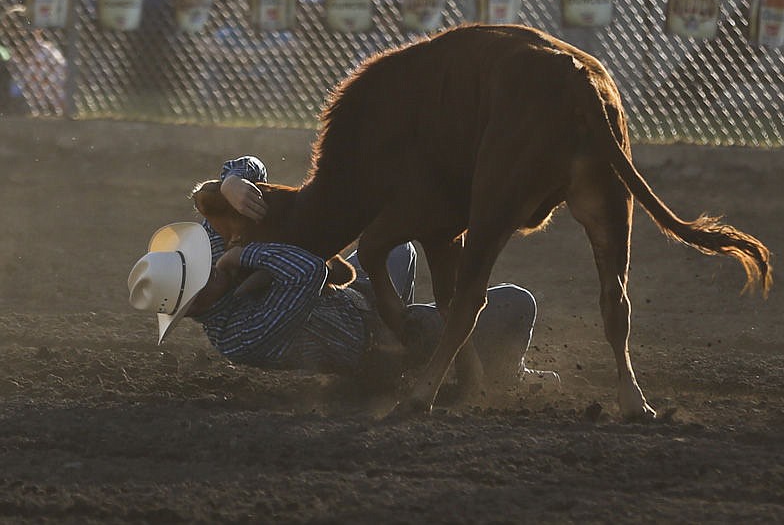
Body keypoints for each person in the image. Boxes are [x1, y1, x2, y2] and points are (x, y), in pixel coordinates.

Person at [128, 156, 554, 393]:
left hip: (358, 303)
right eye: (200, 280)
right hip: (379, 350)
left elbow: (248, 170)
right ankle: (505, 374)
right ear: (196, 307)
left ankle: (440, 330)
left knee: (396, 240)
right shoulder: (240, 335)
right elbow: (309, 271)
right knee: (518, 302)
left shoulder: (211, 256)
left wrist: (230, 184)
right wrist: (245, 257)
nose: (208, 269)